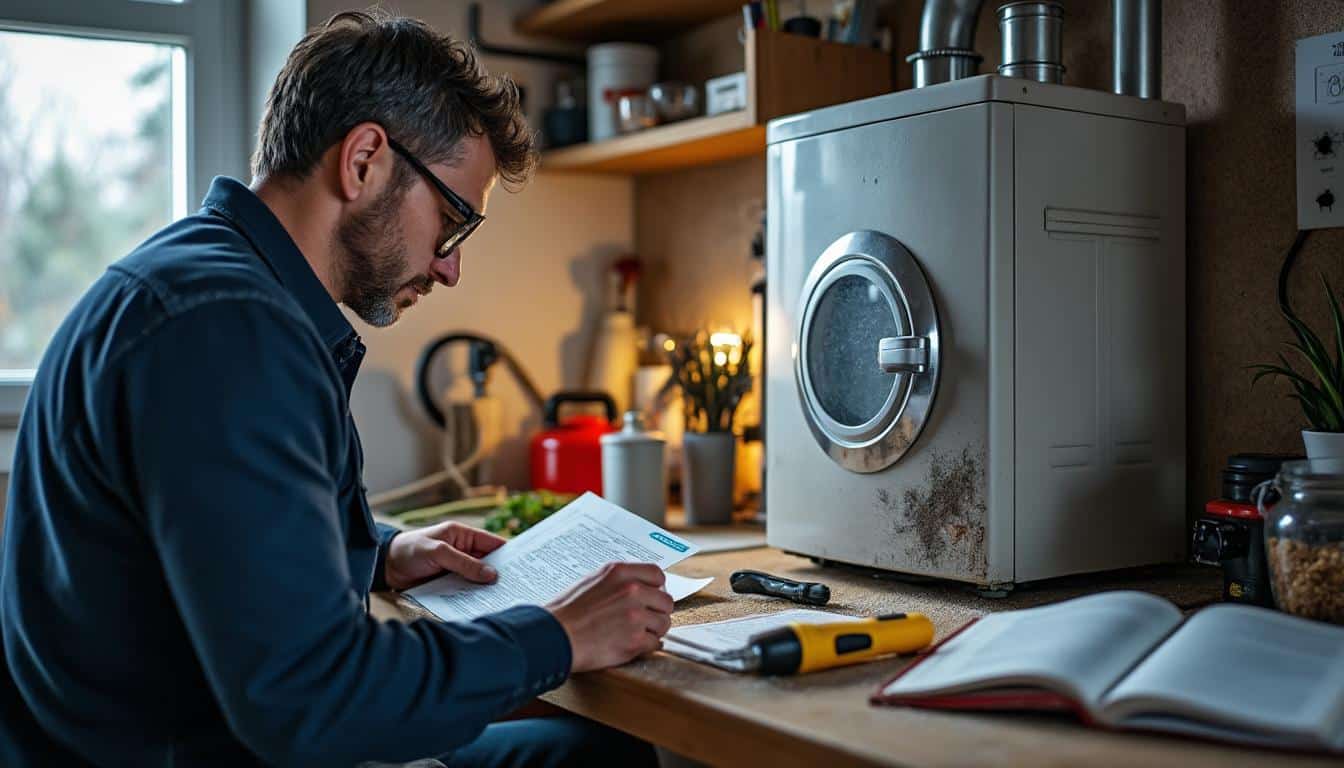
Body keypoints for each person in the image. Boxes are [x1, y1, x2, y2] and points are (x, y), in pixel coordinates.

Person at [0, 10, 672, 767]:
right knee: (596, 755)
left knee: (576, 744)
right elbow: (313, 700)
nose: (451, 267)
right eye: (453, 224)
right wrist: (559, 635)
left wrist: (378, 552)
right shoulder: (230, 330)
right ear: (363, 161)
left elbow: (203, 551)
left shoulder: (200, 286)